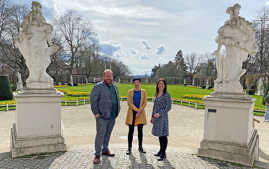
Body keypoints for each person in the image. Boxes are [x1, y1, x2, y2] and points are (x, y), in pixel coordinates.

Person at [90, 69, 120, 164]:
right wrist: (96, 113)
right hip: (102, 116)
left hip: (112, 115)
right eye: (107, 76)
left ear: (112, 77)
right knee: (100, 135)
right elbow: (93, 100)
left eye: (110, 76)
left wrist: (117, 111)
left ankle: (105, 149)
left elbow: (117, 99)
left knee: (108, 134)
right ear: (104, 77)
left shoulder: (115, 87)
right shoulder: (98, 86)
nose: (109, 78)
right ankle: (97, 155)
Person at [151, 78, 171, 161]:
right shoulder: (157, 93)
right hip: (156, 118)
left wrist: (160, 113)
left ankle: (163, 153)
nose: (160, 85)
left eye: (162, 84)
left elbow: (169, 107)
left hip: (162, 118)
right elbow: (154, 106)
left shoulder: (167, 94)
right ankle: (160, 151)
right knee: (159, 135)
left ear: (165, 85)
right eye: (159, 84)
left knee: (163, 135)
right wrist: (152, 116)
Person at [125, 78, 147, 155]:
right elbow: (129, 103)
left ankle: (140, 147)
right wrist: (136, 110)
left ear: (140, 83)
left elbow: (145, 102)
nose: (136, 84)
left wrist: (140, 110)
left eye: (138, 82)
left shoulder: (144, 91)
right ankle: (129, 148)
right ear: (133, 83)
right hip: (132, 113)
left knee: (140, 131)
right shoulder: (130, 92)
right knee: (131, 131)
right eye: (135, 82)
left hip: (140, 114)